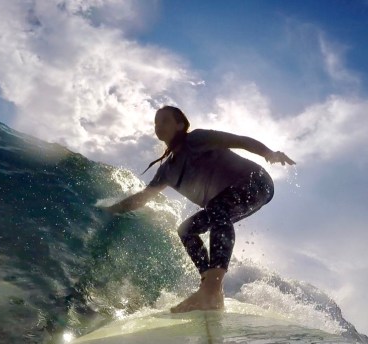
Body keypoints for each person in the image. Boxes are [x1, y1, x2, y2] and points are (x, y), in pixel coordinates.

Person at [105, 106, 295, 313]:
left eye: (165, 121)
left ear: (180, 125)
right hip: (226, 202)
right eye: (156, 123)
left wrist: (268, 153)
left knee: (216, 207)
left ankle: (212, 287)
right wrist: (111, 210)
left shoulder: (196, 139)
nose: (159, 126)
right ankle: (209, 288)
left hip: (256, 181)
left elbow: (239, 140)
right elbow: (143, 198)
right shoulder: (167, 170)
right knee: (186, 230)